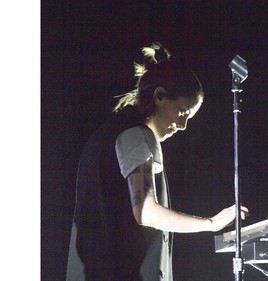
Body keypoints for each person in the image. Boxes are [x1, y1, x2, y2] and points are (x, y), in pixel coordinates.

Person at [66, 42, 249, 281]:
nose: (183, 126)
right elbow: (145, 212)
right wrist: (211, 223)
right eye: (183, 111)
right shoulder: (136, 135)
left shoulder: (106, 135)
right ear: (159, 96)